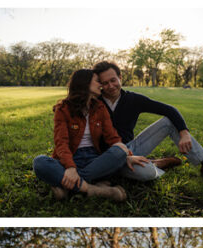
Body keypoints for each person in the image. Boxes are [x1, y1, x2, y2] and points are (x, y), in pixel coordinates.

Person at [93, 61, 203, 183]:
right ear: (99, 85)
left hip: (131, 148)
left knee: (168, 122)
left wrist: (184, 133)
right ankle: (156, 163)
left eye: (113, 80)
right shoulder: (93, 102)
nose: (110, 86)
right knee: (147, 174)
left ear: (120, 77)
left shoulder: (133, 99)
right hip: (106, 156)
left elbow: (170, 110)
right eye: (105, 83)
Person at [32, 68, 151, 202]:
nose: (101, 85)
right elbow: (61, 143)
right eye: (97, 81)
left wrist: (127, 154)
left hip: (95, 160)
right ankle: (93, 189)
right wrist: (71, 168)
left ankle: (66, 186)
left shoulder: (100, 107)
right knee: (40, 162)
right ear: (85, 83)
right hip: (70, 158)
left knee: (119, 151)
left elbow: (112, 137)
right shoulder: (63, 109)